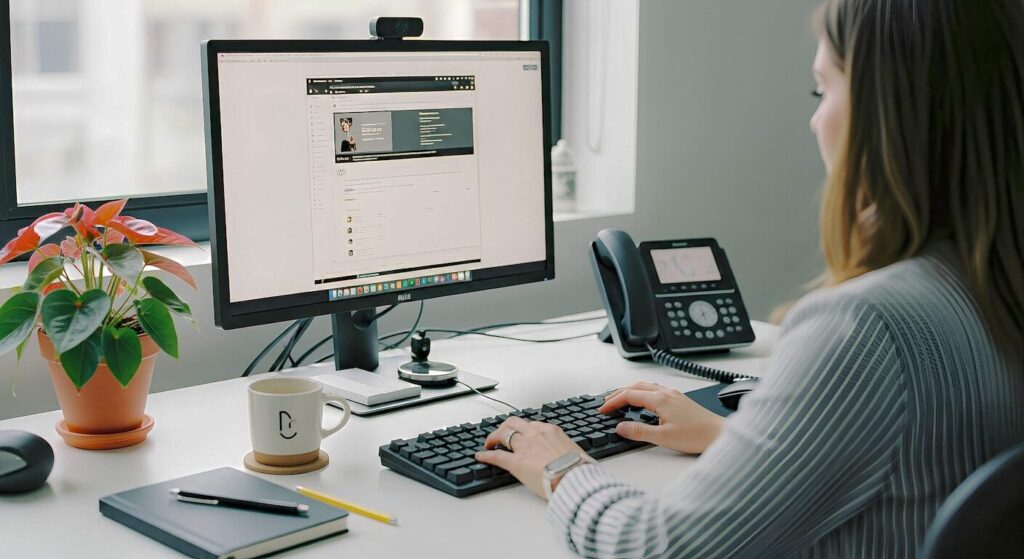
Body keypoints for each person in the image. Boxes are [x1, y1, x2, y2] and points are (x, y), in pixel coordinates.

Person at [475, 0, 1024, 557]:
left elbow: (660, 549)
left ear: (889, 114)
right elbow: (918, 459)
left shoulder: (862, 326)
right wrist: (740, 440)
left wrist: (561, 466)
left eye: (822, 90)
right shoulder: (992, 285)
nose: (815, 119)